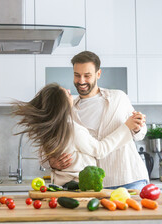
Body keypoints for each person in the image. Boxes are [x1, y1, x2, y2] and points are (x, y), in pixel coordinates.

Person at [49, 51, 149, 190]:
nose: (81, 81)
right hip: (96, 185)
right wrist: (52, 162)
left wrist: (138, 127)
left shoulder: (118, 97)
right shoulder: (68, 109)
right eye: (77, 75)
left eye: (87, 75)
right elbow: (52, 143)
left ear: (98, 74)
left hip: (130, 178)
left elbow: (141, 133)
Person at [13, 83, 139, 186]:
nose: (69, 90)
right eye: (67, 93)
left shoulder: (51, 130)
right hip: (78, 189)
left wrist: (51, 162)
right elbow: (100, 149)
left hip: (61, 187)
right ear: (62, 104)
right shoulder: (72, 129)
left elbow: (43, 156)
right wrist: (126, 127)